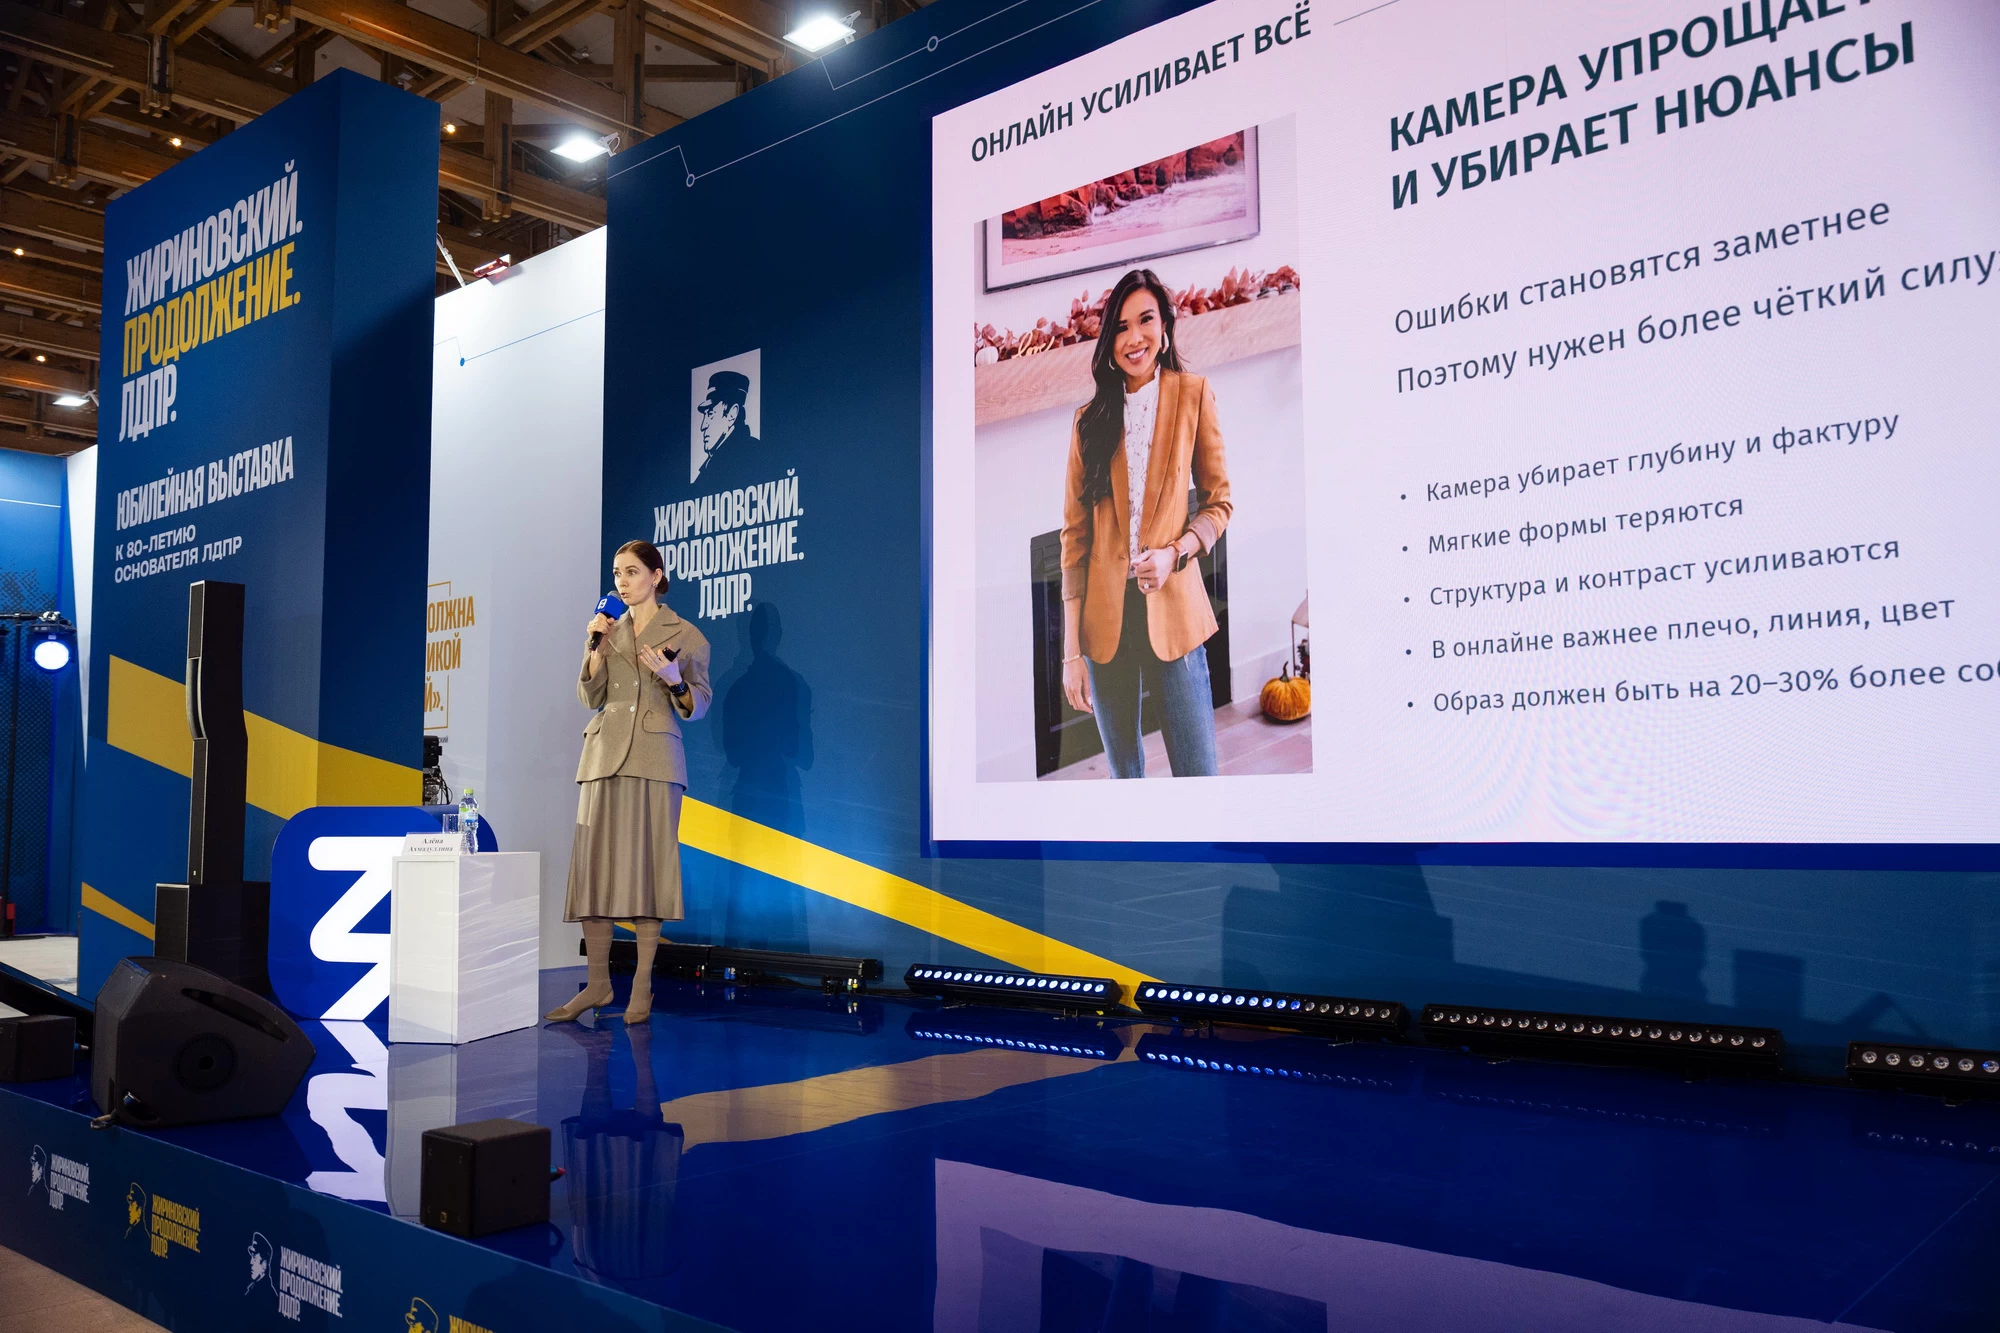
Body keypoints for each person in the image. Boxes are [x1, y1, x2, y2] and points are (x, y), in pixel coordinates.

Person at [1058, 267, 1232, 778]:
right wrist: (1071, 654)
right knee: (1126, 783)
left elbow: (1219, 503)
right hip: (1103, 624)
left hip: (1174, 612)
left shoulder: (1193, 395)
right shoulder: (1089, 420)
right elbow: (1074, 539)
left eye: (1145, 320)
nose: (1134, 337)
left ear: (1164, 327)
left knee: (1198, 776)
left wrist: (1174, 553)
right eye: (1120, 327)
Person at [546, 539, 713, 1024]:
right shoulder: (605, 628)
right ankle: (597, 984)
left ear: (657, 576)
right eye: (617, 573)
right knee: (594, 871)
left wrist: (674, 678)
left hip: (655, 758)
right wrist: (594, 652)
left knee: (647, 872)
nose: (622, 581)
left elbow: (699, 704)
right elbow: (589, 696)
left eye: (632, 571)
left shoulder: (687, 634)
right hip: (602, 756)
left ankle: (642, 987)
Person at [693, 369, 760, 488]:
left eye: (711, 414)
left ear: (732, 414)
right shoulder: (710, 465)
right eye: (704, 415)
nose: (703, 426)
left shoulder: (752, 454)